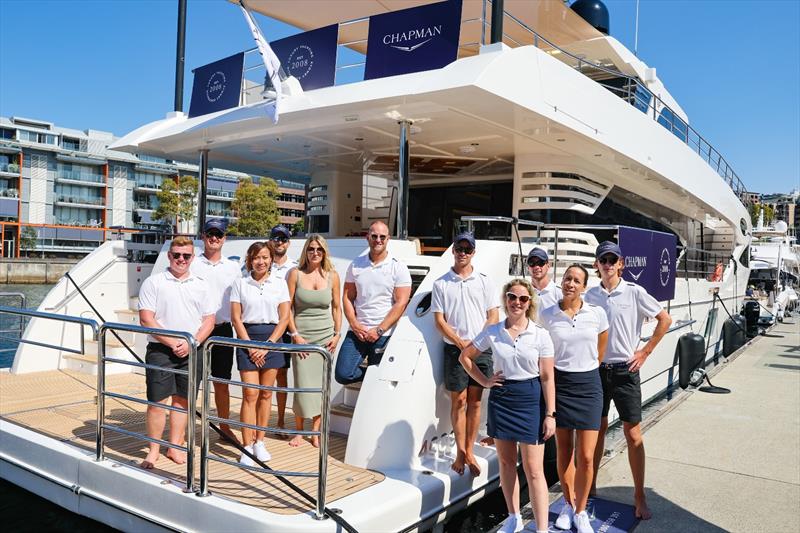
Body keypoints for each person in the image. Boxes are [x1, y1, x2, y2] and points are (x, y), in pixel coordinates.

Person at [585, 241, 672, 520]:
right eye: (603, 260)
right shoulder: (590, 296)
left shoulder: (634, 292)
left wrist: (644, 352)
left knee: (633, 435)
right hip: (597, 371)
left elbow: (665, 319)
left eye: (613, 259)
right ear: (597, 265)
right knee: (595, 432)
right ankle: (590, 485)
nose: (608, 264)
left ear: (621, 264)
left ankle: (639, 495)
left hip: (625, 371)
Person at [460, 279, 555, 533]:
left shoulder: (540, 334)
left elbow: (547, 377)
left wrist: (550, 414)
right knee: (505, 462)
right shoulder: (493, 331)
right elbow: (465, 357)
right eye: (512, 297)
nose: (517, 302)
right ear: (506, 300)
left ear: (529, 304)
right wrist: (486, 382)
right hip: (502, 399)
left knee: (534, 470)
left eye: (523, 299)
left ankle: (542, 528)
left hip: (530, 399)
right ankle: (514, 517)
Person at [540, 265, 609, 533]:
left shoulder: (597, 313)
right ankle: (568, 505)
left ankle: (581, 510)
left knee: (587, 456)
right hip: (560, 385)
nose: (570, 283)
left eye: (576, 280)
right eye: (567, 278)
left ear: (584, 286)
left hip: (589, 385)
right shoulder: (547, 315)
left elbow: (601, 346)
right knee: (564, 451)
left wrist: (590, 365)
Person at [138, 236, 216, 469]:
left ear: (192, 258)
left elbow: (209, 321)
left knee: (183, 401)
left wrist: (192, 342)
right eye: (177, 255)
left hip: (193, 349)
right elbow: (146, 319)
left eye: (186, 256)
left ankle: (173, 447)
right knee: (157, 402)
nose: (181, 259)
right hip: (161, 351)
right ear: (169, 256)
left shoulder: (202, 284)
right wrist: (174, 342)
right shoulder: (154, 283)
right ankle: (153, 450)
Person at [431, 232, 499, 476]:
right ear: (453, 251)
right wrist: (461, 343)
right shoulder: (441, 283)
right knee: (458, 401)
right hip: (455, 349)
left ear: (473, 253)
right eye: (459, 248)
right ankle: (462, 452)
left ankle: (468, 450)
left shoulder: (484, 281)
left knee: (475, 401)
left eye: (467, 249)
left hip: (480, 350)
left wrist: (477, 342)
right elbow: (439, 320)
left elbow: (493, 316)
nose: (462, 252)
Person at [230, 241, 291, 465]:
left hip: (272, 340)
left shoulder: (280, 283)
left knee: (266, 394)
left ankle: (260, 442)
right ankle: (246, 447)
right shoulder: (240, 283)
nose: (261, 261)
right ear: (250, 260)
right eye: (257, 257)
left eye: (265, 257)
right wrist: (250, 346)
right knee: (250, 395)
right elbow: (236, 317)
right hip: (248, 338)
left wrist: (268, 344)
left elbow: (284, 317)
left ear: (271, 259)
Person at [335, 220, 412, 384]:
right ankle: (370, 375)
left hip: (383, 334)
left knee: (379, 381)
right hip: (358, 332)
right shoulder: (356, 264)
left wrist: (378, 330)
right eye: (374, 236)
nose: (378, 240)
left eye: (382, 237)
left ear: (388, 239)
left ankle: (372, 382)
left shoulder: (398, 268)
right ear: (367, 237)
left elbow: (401, 303)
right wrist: (354, 325)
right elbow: (348, 297)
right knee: (343, 374)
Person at [285, 234, 342, 448]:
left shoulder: (332, 276)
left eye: (319, 249)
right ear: (305, 252)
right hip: (301, 337)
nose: (315, 253)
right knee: (302, 384)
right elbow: (287, 307)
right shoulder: (295, 274)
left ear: (324, 252)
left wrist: (337, 334)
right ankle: (299, 431)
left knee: (321, 384)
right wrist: (295, 335)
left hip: (325, 337)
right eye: (311, 249)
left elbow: (337, 307)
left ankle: (315, 432)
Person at [190, 218, 242, 444]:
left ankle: (224, 427)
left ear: (224, 239)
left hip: (222, 330)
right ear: (203, 236)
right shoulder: (191, 263)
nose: (214, 238)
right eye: (210, 234)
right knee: (192, 381)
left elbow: (241, 300)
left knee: (222, 383)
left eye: (218, 235)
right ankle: (188, 429)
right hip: (196, 330)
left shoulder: (232, 268)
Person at [267, 224, 298, 435]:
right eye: (276, 238)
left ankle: (279, 422)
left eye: (283, 239)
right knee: (259, 377)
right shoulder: (260, 263)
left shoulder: (295, 268)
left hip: (285, 327)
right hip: (263, 326)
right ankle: (257, 421)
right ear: (270, 241)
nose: (280, 242)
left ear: (288, 243)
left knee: (281, 376)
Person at [528, 247, 563, 319]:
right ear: (528, 267)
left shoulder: (560, 293)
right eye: (532, 263)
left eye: (540, 263)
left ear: (548, 265)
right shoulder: (524, 293)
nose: (536, 267)